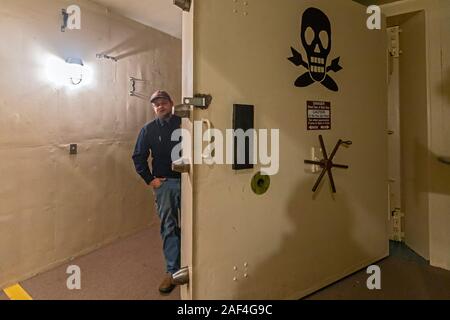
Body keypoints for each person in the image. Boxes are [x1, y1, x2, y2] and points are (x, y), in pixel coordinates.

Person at [132, 90, 182, 295]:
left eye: (163, 102)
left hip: (191, 183)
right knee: (169, 227)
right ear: (154, 108)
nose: (160, 106)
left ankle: (196, 264)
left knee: (196, 225)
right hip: (165, 185)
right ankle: (172, 271)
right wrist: (150, 179)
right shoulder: (148, 130)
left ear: (171, 103)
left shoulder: (186, 124)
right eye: (156, 104)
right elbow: (138, 156)